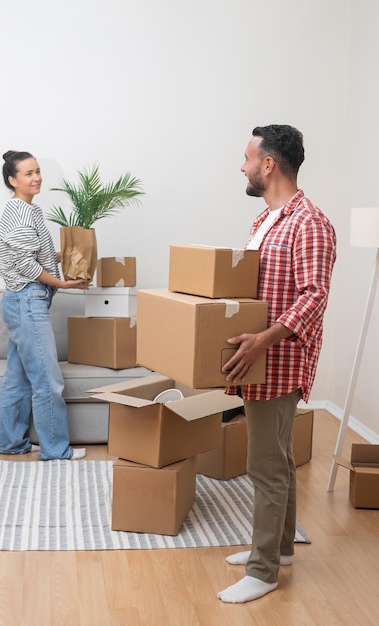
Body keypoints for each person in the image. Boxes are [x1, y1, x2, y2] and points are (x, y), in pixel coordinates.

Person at [217, 125, 337, 604]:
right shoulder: (266, 221)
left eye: (247, 158)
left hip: (279, 361)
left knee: (264, 465)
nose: (242, 166)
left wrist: (263, 340)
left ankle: (263, 570)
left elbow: (313, 297)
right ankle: (282, 548)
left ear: (268, 164)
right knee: (279, 458)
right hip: (258, 358)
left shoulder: (309, 222)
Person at [0, 150, 90, 461]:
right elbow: (24, 262)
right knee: (48, 380)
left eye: (37, 171)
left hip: (20, 300)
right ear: (12, 179)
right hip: (27, 301)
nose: (36, 177)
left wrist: (66, 255)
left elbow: (33, 253)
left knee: (19, 378)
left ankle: (12, 443)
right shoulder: (20, 212)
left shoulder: (27, 210)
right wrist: (61, 283)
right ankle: (55, 449)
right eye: (27, 173)